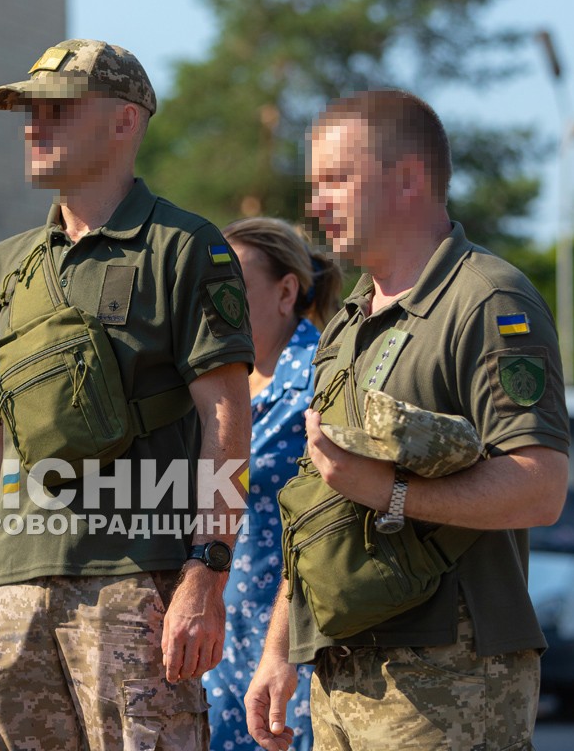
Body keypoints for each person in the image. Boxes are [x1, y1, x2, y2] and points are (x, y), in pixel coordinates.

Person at [0, 38, 255, 750]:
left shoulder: (185, 248)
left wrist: (206, 572)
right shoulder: (7, 266)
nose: (34, 125)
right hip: (12, 584)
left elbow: (226, 416)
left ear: (125, 121)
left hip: (138, 580)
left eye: (58, 110)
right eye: (29, 112)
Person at [244, 89, 570, 750]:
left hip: (450, 677)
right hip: (340, 671)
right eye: (315, 184)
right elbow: (319, 500)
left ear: (408, 178)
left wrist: (393, 493)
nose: (316, 203)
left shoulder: (488, 300)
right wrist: (280, 649)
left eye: (336, 179)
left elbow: (542, 485)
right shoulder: (346, 324)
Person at [201, 219, 341, 751]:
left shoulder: (323, 381)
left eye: (232, 286)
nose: (215, 303)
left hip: (294, 652)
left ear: (287, 291)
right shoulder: (210, 387)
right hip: (216, 650)